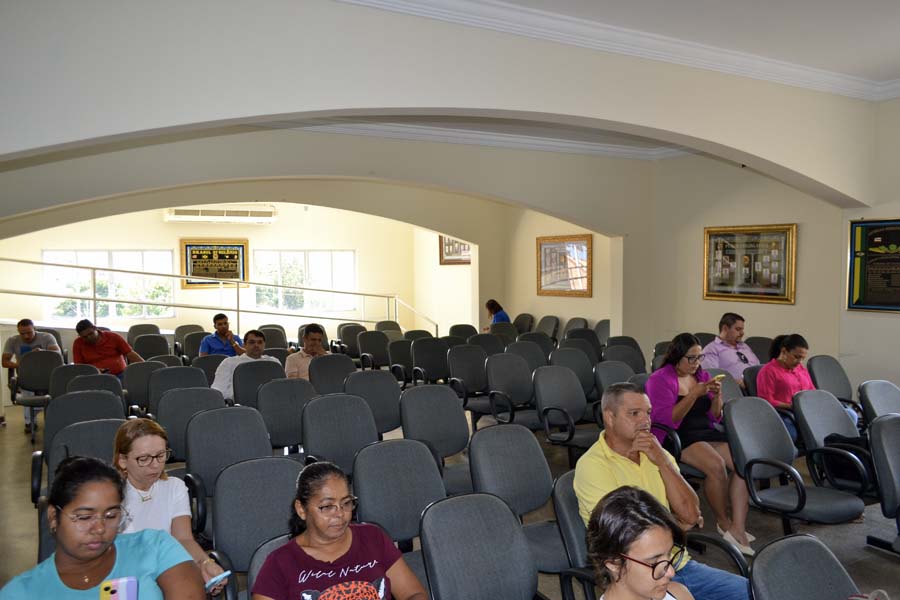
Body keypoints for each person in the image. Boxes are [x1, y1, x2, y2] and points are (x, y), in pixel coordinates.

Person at [574, 382, 750, 600]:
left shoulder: (656, 452)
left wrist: (662, 462)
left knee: (755, 592)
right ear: (610, 417)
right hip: (640, 575)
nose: (645, 421)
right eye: (634, 413)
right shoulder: (592, 466)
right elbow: (625, 535)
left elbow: (691, 514)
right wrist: (676, 525)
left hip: (678, 563)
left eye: (648, 413)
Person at [0, 456, 204, 599]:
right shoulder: (21, 593)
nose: (99, 528)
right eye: (84, 517)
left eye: (111, 515)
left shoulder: (156, 547)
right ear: (54, 517)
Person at [251, 461, 427, 600]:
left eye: (346, 503)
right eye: (327, 506)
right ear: (301, 509)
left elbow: (414, 594)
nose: (340, 514)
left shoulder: (373, 537)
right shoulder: (280, 564)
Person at [645, 333, 753, 557]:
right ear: (677, 357)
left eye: (699, 357)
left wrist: (717, 397)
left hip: (705, 431)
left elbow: (715, 416)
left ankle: (737, 526)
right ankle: (723, 522)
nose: (696, 363)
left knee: (744, 464)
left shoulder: (701, 375)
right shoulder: (659, 379)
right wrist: (694, 394)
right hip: (677, 435)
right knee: (716, 466)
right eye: (691, 358)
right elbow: (668, 420)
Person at [113, 419, 227, 594]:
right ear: (122, 460)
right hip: (127, 577)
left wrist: (205, 563)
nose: (155, 465)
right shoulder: (110, 496)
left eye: (160, 455)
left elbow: (183, 539)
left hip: (167, 574)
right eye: (144, 458)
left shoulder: (174, 487)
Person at [587, 486, 694, 600]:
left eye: (669, 554)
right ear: (614, 564)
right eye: (654, 563)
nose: (671, 572)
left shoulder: (678, 593)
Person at [756, 333, 858, 441]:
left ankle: (838, 443)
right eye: (796, 357)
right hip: (787, 413)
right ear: (784, 351)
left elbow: (812, 391)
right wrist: (791, 406)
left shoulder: (800, 369)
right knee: (792, 434)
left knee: (849, 414)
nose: (799, 362)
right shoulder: (768, 371)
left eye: (802, 358)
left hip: (808, 410)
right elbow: (766, 401)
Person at [2, 318, 61, 432]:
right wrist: (20, 364)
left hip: (47, 374)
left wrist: (43, 353)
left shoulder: (47, 337)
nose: (26, 336)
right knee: (27, 391)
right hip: (27, 375)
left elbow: (58, 356)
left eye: (29, 332)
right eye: (22, 333)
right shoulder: (13, 340)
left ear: (35, 329)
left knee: (55, 392)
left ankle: (54, 418)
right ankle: (30, 422)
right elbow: (4, 362)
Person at [210, 329, 281, 401]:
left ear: (264, 345)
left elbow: (280, 387)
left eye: (260, 342)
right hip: (238, 404)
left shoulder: (274, 362)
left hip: (270, 401)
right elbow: (218, 389)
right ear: (244, 345)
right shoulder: (229, 362)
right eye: (252, 342)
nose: (256, 345)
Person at [699, 313, 759, 389]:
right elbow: (711, 378)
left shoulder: (744, 346)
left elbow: (758, 365)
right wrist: (737, 383)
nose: (742, 333)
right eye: (738, 329)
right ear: (725, 329)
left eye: (742, 329)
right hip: (736, 390)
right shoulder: (712, 349)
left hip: (758, 385)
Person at [72, 319, 143, 379]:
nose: (89, 338)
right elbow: (79, 366)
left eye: (91, 334)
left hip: (119, 374)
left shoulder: (113, 337)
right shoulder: (78, 343)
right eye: (85, 337)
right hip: (93, 376)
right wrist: (94, 370)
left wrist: (145, 366)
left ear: (95, 328)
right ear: (80, 336)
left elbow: (130, 353)